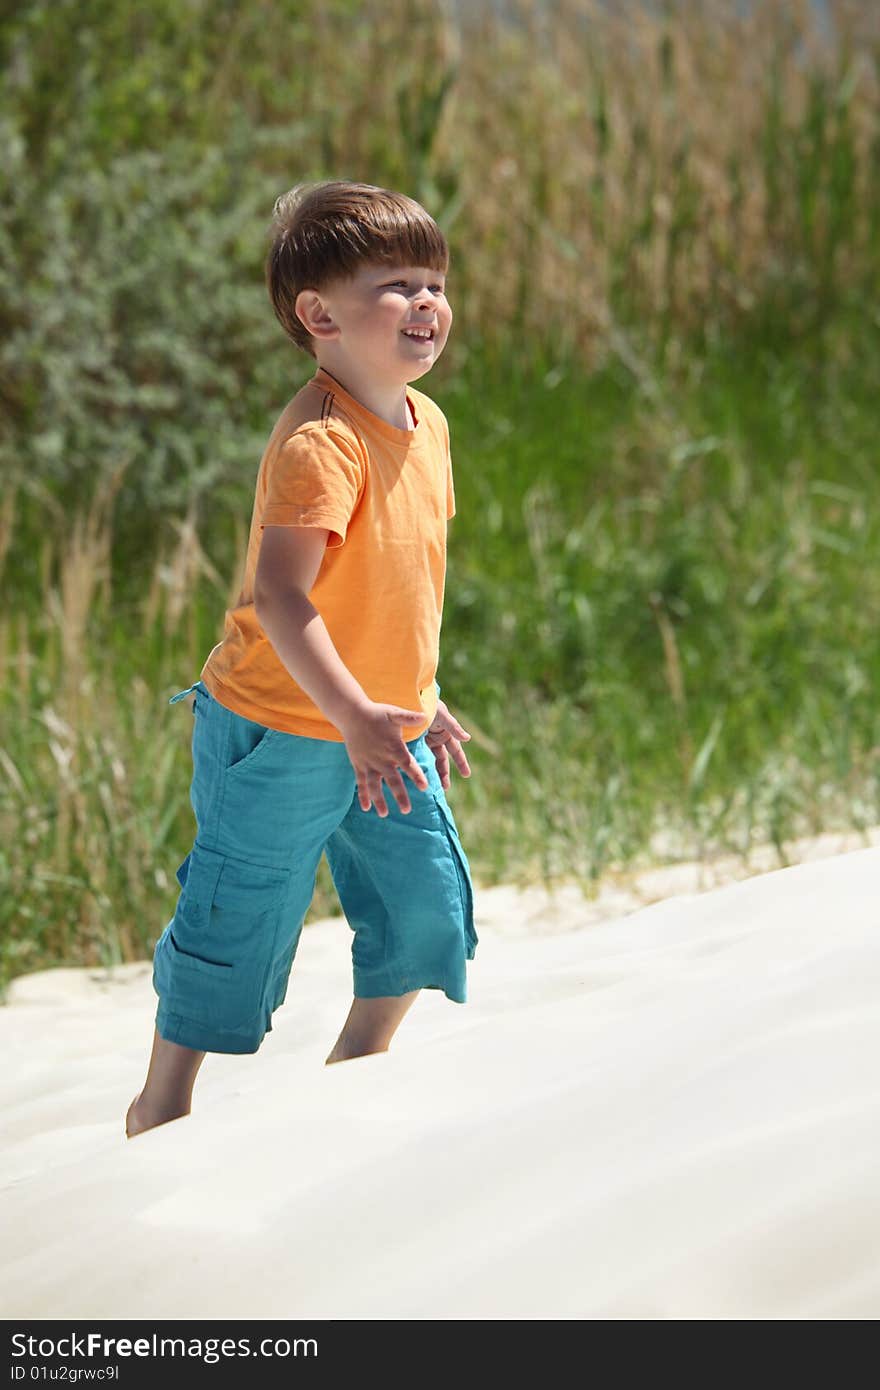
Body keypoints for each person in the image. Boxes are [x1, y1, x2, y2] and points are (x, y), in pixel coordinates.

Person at [126, 180, 478, 1138]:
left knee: (427, 913)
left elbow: (398, 587)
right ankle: (162, 1109)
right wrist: (356, 716)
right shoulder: (323, 442)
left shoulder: (429, 425)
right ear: (318, 314)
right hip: (282, 725)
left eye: (435, 282)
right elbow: (284, 597)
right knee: (240, 920)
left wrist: (416, 695)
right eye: (397, 284)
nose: (428, 303)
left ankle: (354, 1079)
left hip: (380, 720)